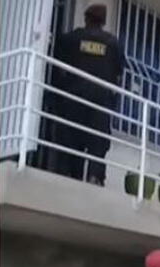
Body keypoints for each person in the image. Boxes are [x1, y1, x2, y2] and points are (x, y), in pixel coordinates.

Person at [53, 4, 125, 186]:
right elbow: (119, 73)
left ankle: (71, 176)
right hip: (99, 103)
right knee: (97, 144)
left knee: (71, 140)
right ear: (103, 21)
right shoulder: (112, 43)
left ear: (86, 18)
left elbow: (58, 61)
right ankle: (94, 177)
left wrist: (58, 93)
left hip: (75, 99)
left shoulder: (73, 38)